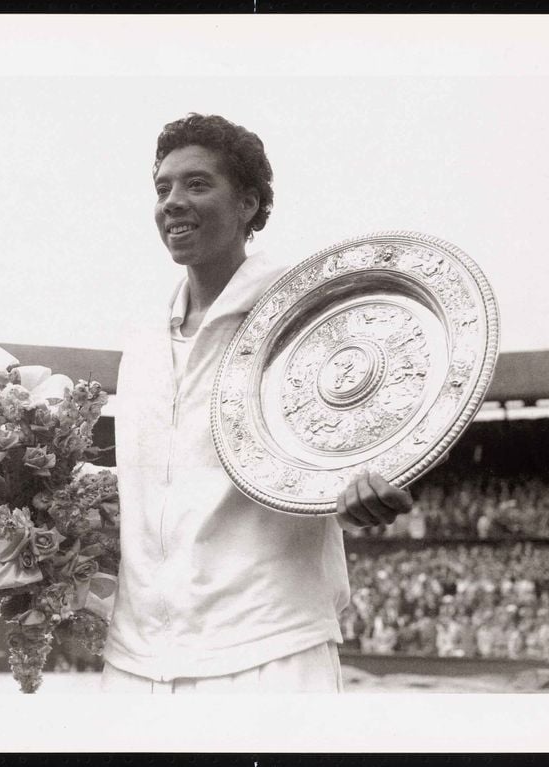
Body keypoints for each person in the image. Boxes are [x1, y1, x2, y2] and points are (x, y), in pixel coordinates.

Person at [101, 114, 415, 693]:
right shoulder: (142, 341)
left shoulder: (309, 318)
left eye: (197, 185)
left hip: (270, 651)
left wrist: (360, 485)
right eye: (162, 187)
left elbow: (356, 438)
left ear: (248, 205)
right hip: (137, 661)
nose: (172, 201)